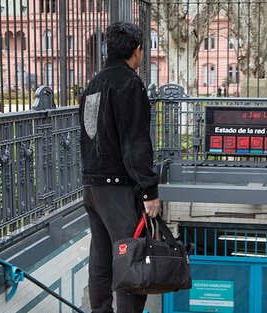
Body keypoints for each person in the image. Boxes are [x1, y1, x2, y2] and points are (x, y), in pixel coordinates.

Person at [79, 22, 160, 313]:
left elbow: (89, 134)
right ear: (137, 50)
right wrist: (150, 190)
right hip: (118, 188)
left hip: (93, 186)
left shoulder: (93, 85)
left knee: (101, 258)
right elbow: (135, 142)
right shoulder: (129, 83)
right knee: (131, 258)